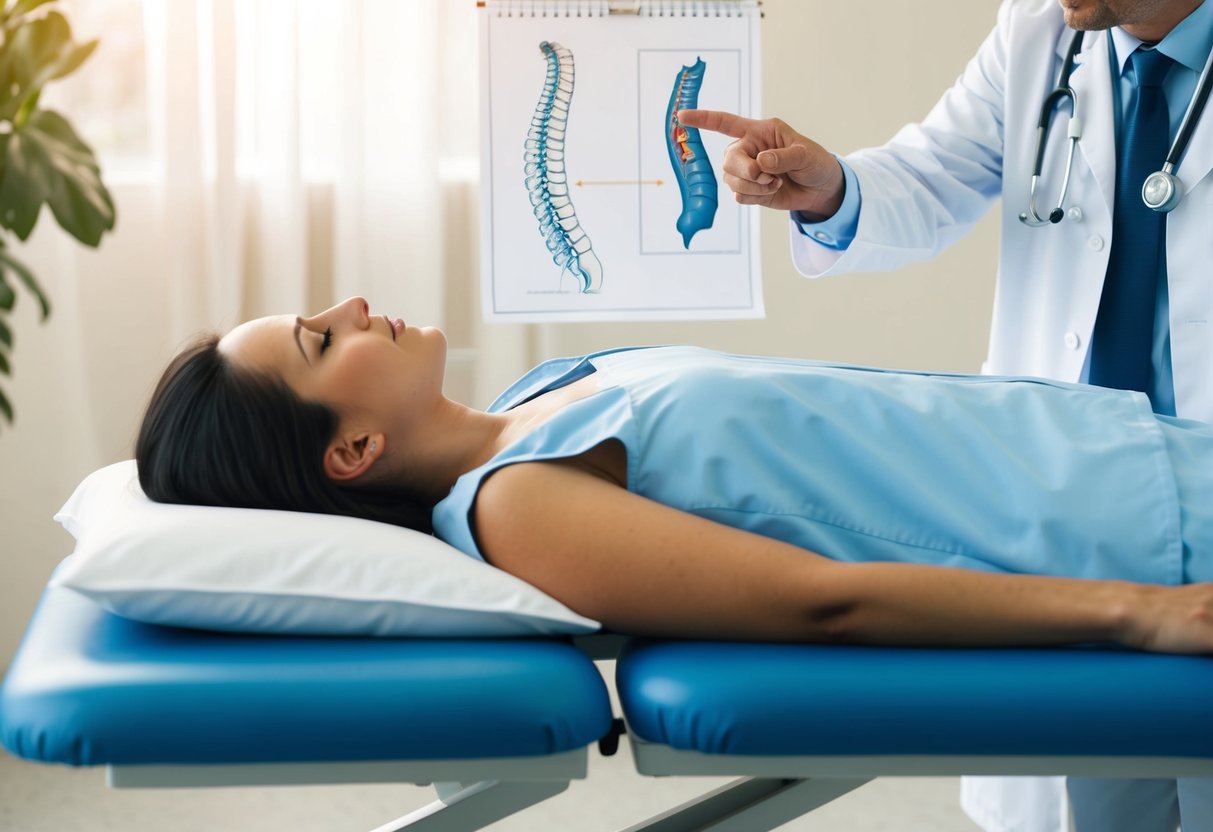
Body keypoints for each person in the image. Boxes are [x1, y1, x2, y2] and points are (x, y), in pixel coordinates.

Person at [676, 0, 1213, 828]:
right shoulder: (1039, 31)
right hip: (1068, 494)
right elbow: (933, 173)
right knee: (1095, 785)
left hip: (1200, 487)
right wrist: (830, 188)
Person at [136, 297, 1213, 659]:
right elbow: (819, 598)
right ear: (353, 453)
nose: (356, 305)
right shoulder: (516, 504)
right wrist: (1139, 614)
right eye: (323, 341)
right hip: (1126, 537)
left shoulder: (547, 389)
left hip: (1121, 450)